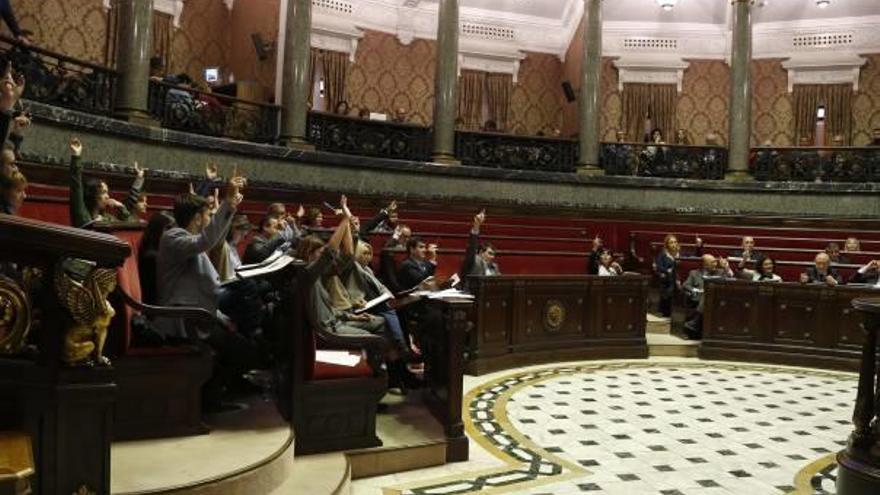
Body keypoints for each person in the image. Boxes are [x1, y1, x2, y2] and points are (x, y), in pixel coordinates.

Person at [156, 169, 263, 410]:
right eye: (207, 214)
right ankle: (213, 396)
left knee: (252, 294)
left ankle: (249, 338)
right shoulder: (173, 238)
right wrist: (227, 202)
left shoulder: (186, 237)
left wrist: (230, 204)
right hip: (185, 315)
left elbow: (210, 241)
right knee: (246, 296)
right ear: (197, 217)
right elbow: (207, 241)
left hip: (201, 306)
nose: (208, 218)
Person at [295, 196, 389, 373]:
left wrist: (352, 317)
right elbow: (331, 250)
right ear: (309, 253)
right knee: (376, 339)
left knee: (381, 322)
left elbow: (347, 254)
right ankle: (375, 377)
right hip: (329, 330)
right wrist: (344, 219)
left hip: (337, 320)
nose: (325, 257)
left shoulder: (319, 274)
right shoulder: (308, 273)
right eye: (319, 252)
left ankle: (379, 374)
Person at [68, 138, 145, 227]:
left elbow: (128, 223)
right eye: (103, 192)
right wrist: (76, 156)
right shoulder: (83, 216)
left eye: (107, 192)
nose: (108, 196)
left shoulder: (106, 218)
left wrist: (121, 207)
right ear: (93, 195)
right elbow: (76, 186)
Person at [682, 255, 734, 339]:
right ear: (705, 265)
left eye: (715, 261)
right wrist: (695, 290)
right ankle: (695, 323)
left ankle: (694, 322)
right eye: (712, 262)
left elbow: (731, 279)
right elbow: (685, 285)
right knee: (706, 294)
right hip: (698, 298)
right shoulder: (694, 273)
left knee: (708, 294)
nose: (715, 264)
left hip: (716, 300)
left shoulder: (720, 272)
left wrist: (726, 268)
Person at [138, 211, 176, 305]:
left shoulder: (160, 253)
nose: (173, 233)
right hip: (159, 311)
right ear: (157, 230)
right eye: (168, 228)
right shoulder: (152, 257)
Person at [460, 210, 500, 291]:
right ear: (481, 252)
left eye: (493, 254)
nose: (492, 257)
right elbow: (471, 247)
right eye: (490, 253)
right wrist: (476, 226)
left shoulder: (494, 267)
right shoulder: (474, 260)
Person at [654, 234, 680, 317]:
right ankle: (667, 312)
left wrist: (698, 247)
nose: (673, 244)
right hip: (667, 279)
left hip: (679, 278)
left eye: (675, 242)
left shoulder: (680, 254)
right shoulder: (662, 254)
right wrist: (667, 271)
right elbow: (659, 266)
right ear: (667, 244)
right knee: (670, 282)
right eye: (671, 242)